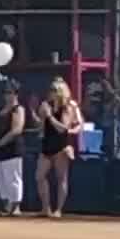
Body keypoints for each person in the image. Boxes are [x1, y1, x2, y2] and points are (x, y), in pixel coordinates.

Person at [35, 78, 82, 219]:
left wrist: (50, 116)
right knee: (39, 176)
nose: (51, 93)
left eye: (54, 90)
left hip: (61, 146)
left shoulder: (67, 107)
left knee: (61, 178)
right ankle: (45, 207)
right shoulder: (47, 105)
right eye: (50, 90)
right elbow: (41, 126)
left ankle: (59, 209)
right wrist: (40, 115)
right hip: (47, 145)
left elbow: (63, 129)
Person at [0, 83, 26, 216]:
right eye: (5, 93)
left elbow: (17, 129)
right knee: (1, 178)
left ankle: (15, 206)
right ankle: (6, 205)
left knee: (13, 178)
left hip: (12, 149)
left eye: (10, 93)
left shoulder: (18, 109)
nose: (7, 96)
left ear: (16, 94)